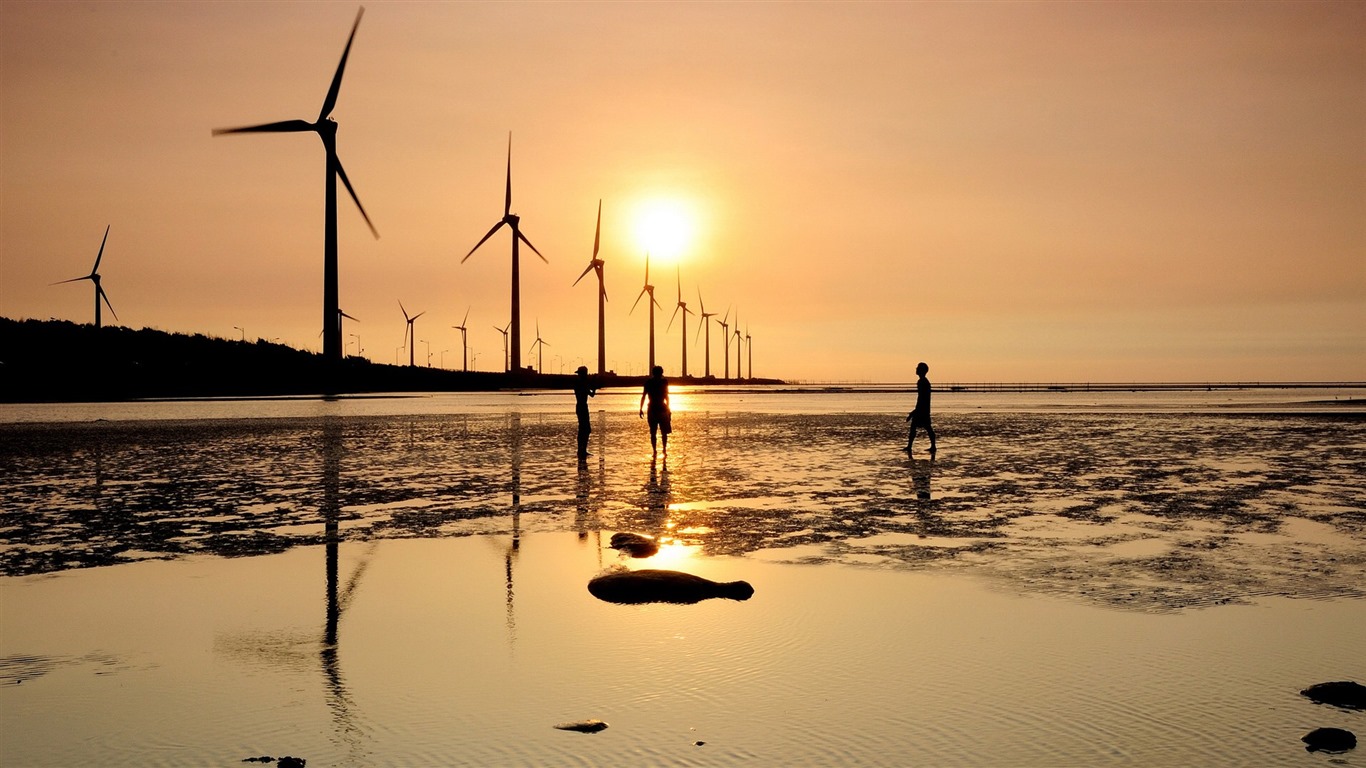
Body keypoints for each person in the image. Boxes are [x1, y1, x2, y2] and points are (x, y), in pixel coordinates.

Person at [905, 361, 937, 457]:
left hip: (922, 409)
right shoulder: (923, 382)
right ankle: (910, 446)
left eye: (918, 368)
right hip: (924, 409)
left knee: (925, 427)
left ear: (922, 371)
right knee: (923, 427)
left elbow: (922, 398)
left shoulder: (923, 382)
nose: (916, 369)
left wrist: (914, 412)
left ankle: (932, 446)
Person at [638, 365, 671, 456]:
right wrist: (668, 409)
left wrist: (641, 409)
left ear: (653, 373)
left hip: (652, 409)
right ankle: (664, 450)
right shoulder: (664, 382)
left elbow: (644, 396)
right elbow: (667, 396)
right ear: (661, 373)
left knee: (653, 432)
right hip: (662, 408)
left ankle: (655, 451)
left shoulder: (649, 382)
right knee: (664, 432)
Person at [573, 366, 596, 458]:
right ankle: (581, 450)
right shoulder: (581, 384)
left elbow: (591, 394)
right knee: (585, 429)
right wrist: (593, 385)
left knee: (584, 429)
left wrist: (592, 385)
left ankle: (582, 450)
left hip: (581, 407)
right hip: (582, 407)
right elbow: (591, 394)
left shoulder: (580, 383)